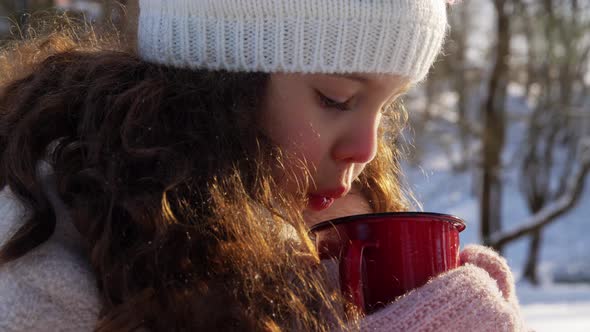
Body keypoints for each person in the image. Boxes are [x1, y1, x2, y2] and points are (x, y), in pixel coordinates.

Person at [0, 0, 529, 331]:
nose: (367, 150)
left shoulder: (308, 233)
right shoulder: (40, 258)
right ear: (217, 87)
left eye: (387, 106)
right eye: (337, 98)